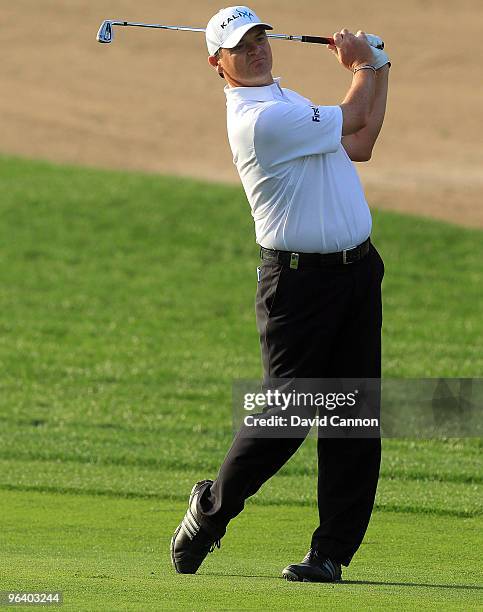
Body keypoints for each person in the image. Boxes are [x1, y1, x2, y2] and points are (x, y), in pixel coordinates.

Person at [171, 5, 390, 582]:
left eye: (261, 38)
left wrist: (378, 64)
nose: (257, 49)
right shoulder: (258, 119)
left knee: (353, 419)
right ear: (218, 63)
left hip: (358, 274)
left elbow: (361, 141)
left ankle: (330, 554)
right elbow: (356, 111)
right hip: (299, 285)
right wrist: (366, 63)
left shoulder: (289, 102)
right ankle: (210, 513)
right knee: (287, 415)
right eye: (242, 46)